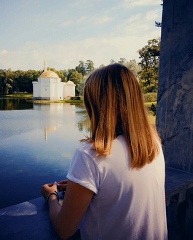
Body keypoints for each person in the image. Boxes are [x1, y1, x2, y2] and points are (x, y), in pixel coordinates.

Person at [41, 63, 167, 240]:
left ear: (95, 106)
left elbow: (64, 229)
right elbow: (124, 184)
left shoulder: (91, 155)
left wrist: (51, 196)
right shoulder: (152, 143)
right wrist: (84, 189)